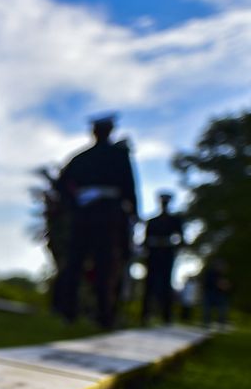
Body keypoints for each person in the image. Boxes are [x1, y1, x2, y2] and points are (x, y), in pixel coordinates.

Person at [57, 114, 139, 329]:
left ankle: (76, 312)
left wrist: (74, 204)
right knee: (100, 264)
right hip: (105, 216)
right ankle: (99, 314)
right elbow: (130, 187)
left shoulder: (81, 158)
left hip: (88, 214)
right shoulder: (116, 156)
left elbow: (62, 187)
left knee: (83, 262)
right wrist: (133, 212)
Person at [141, 191, 184, 325]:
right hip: (153, 254)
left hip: (167, 253)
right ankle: (145, 314)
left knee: (166, 284)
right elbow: (145, 240)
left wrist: (171, 245)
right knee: (149, 283)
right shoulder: (152, 221)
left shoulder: (174, 220)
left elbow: (182, 239)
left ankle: (167, 315)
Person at [202, 258, 231, 328]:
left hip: (218, 294)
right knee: (208, 309)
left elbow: (224, 285)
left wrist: (224, 286)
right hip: (210, 293)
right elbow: (209, 283)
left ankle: (221, 322)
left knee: (222, 308)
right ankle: (207, 323)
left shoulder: (221, 274)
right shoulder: (210, 273)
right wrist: (220, 284)